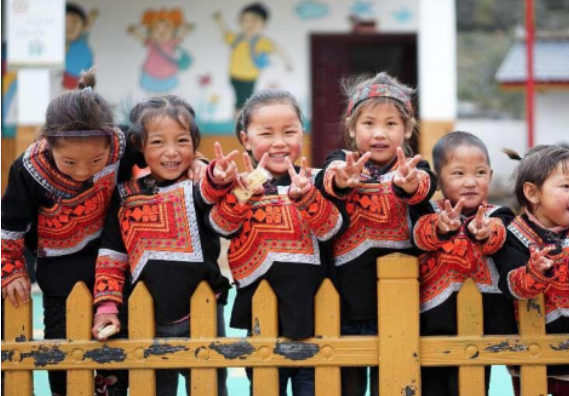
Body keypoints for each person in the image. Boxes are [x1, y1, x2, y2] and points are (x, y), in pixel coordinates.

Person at [91, 95, 234, 396]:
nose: (171, 152)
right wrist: (106, 305)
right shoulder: (125, 195)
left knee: (209, 388)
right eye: (158, 142)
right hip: (148, 316)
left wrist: (215, 175)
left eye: (182, 141)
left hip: (204, 311)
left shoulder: (197, 185)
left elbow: (212, 192)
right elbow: (112, 255)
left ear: (194, 144)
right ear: (139, 145)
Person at [1, 73, 132, 396]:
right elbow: (11, 225)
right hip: (59, 270)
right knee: (63, 352)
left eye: (96, 160)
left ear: (110, 141)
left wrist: (199, 163)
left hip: (114, 262)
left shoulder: (123, 144)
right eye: (69, 162)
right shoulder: (27, 169)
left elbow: (162, 154)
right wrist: (12, 269)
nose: (83, 171)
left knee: (117, 356)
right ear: (48, 143)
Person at [208, 89, 344, 396]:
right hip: (261, 318)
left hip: (315, 315)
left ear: (302, 133)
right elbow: (220, 225)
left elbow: (331, 229)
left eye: (289, 132)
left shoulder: (317, 181)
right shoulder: (243, 185)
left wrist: (307, 198)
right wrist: (247, 192)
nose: (279, 142)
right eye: (266, 133)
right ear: (246, 139)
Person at [316, 73, 436, 396]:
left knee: (396, 383)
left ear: (407, 129)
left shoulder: (414, 169)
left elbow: (424, 185)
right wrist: (342, 179)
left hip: (402, 306)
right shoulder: (341, 162)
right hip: (346, 305)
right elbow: (328, 177)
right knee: (349, 386)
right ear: (351, 128)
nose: (379, 133)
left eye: (391, 124)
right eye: (368, 123)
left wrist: (408, 184)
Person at [495, 145, 569, 396]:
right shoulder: (513, 236)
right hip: (530, 354)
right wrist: (533, 272)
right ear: (532, 193)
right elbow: (512, 286)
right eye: (566, 186)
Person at [412, 132, 516, 396]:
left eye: (480, 173)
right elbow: (420, 237)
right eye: (458, 173)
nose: (471, 182)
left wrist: (482, 231)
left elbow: (499, 234)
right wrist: (440, 227)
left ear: (490, 175)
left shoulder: (498, 214)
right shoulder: (428, 212)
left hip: (481, 325)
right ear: (438, 180)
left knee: (473, 386)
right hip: (432, 325)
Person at [213, 3, 292, 114]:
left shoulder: (262, 42)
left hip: (250, 77)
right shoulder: (236, 38)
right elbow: (225, 32)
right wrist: (219, 20)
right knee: (240, 99)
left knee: (245, 100)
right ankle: (240, 117)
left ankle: (241, 118)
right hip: (234, 75)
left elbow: (278, 49)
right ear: (240, 22)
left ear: (264, 24)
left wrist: (287, 62)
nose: (251, 24)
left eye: (255, 20)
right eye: (246, 20)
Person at [128, 8, 194, 93]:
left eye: (167, 28)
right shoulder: (152, 43)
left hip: (168, 74)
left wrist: (187, 30)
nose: (161, 31)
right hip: (151, 73)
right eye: (156, 28)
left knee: (167, 93)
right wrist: (135, 32)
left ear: (173, 31)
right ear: (151, 32)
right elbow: (143, 38)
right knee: (150, 93)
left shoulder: (171, 42)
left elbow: (180, 36)